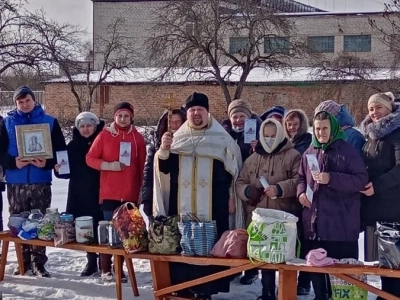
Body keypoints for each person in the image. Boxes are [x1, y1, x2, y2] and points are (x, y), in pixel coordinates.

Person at [153, 92, 244, 300]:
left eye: (200, 110)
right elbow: (164, 170)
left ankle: (206, 289)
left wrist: (231, 195)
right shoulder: (179, 138)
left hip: (214, 204)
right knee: (184, 244)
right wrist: (164, 150)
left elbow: (234, 170)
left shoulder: (222, 139)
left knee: (208, 247)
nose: (196, 114)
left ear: (207, 112)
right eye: (192, 110)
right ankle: (183, 286)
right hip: (182, 205)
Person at [297, 111, 368, 300]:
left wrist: (332, 178)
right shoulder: (310, 151)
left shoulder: (347, 151)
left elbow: (361, 180)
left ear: (333, 128)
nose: (321, 133)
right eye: (318, 128)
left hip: (341, 226)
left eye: (325, 128)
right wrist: (301, 193)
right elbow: (301, 177)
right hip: (315, 225)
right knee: (318, 275)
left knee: (343, 279)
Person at [0, 86, 66, 277]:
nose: (25, 104)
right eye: (20, 102)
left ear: (34, 100)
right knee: (18, 223)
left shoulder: (50, 122)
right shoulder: (7, 123)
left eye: (27, 100)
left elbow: (61, 152)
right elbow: (0, 152)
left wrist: (48, 163)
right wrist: (13, 162)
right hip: (16, 182)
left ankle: (39, 263)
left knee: (41, 222)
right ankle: (24, 262)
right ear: (15, 104)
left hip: (41, 181)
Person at [236, 118, 301, 300]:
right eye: (266, 136)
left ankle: (286, 292)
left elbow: (299, 180)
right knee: (264, 253)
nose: (270, 139)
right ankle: (267, 292)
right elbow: (240, 182)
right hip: (259, 215)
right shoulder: (253, 158)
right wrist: (248, 191)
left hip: (283, 213)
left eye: (273, 136)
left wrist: (280, 188)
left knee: (283, 254)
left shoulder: (293, 155)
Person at [86, 102, 146, 282]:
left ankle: (119, 268)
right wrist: (108, 166)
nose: (123, 119)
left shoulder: (138, 138)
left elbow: (142, 166)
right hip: (109, 192)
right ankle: (105, 268)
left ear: (132, 117)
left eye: (126, 116)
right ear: (114, 117)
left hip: (129, 193)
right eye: (119, 115)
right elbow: (90, 158)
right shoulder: (104, 135)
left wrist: (141, 190)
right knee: (108, 231)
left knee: (124, 234)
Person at [54, 112, 104, 277]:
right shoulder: (72, 146)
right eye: (82, 126)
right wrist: (58, 169)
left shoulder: (103, 141)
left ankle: (106, 263)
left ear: (95, 126)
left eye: (89, 125)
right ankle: (91, 261)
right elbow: (65, 173)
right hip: (79, 193)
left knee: (101, 226)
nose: (85, 129)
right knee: (84, 227)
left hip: (100, 190)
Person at [360, 92, 400, 298]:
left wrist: (377, 185)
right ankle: (386, 294)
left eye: (379, 108)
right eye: (371, 109)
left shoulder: (397, 133)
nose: (374, 112)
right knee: (382, 261)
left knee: (395, 260)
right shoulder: (370, 135)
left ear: (389, 109)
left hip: (393, 207)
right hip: (375, 205)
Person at [227, 99, 261, 285]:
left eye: (242, 116)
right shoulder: (225, 135)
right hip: (231, 189)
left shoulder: (259, 134)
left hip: (250, 189)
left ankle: (251, 269)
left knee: (250, 229)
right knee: (233, 229)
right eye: (235, 116)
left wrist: (258, 148)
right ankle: (233, 267)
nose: (239, 120)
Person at [283, 109, 312, 296]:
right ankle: (290, 281)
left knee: (305, 242)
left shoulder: (308, 142)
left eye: (295, 124)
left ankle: (305, 281)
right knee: (291, 242)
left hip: (304, 198)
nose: (292, 128)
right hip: (288, 199)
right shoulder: (286, 143)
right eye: (289, 124)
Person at [141, 107, 186, 220]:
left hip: (183, 194)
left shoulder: (189, 142)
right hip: (164, 190)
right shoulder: (156, 142)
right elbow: (149, 171)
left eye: (178, 122)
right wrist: (147, 199)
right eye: (171, 122)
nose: (174, 126)